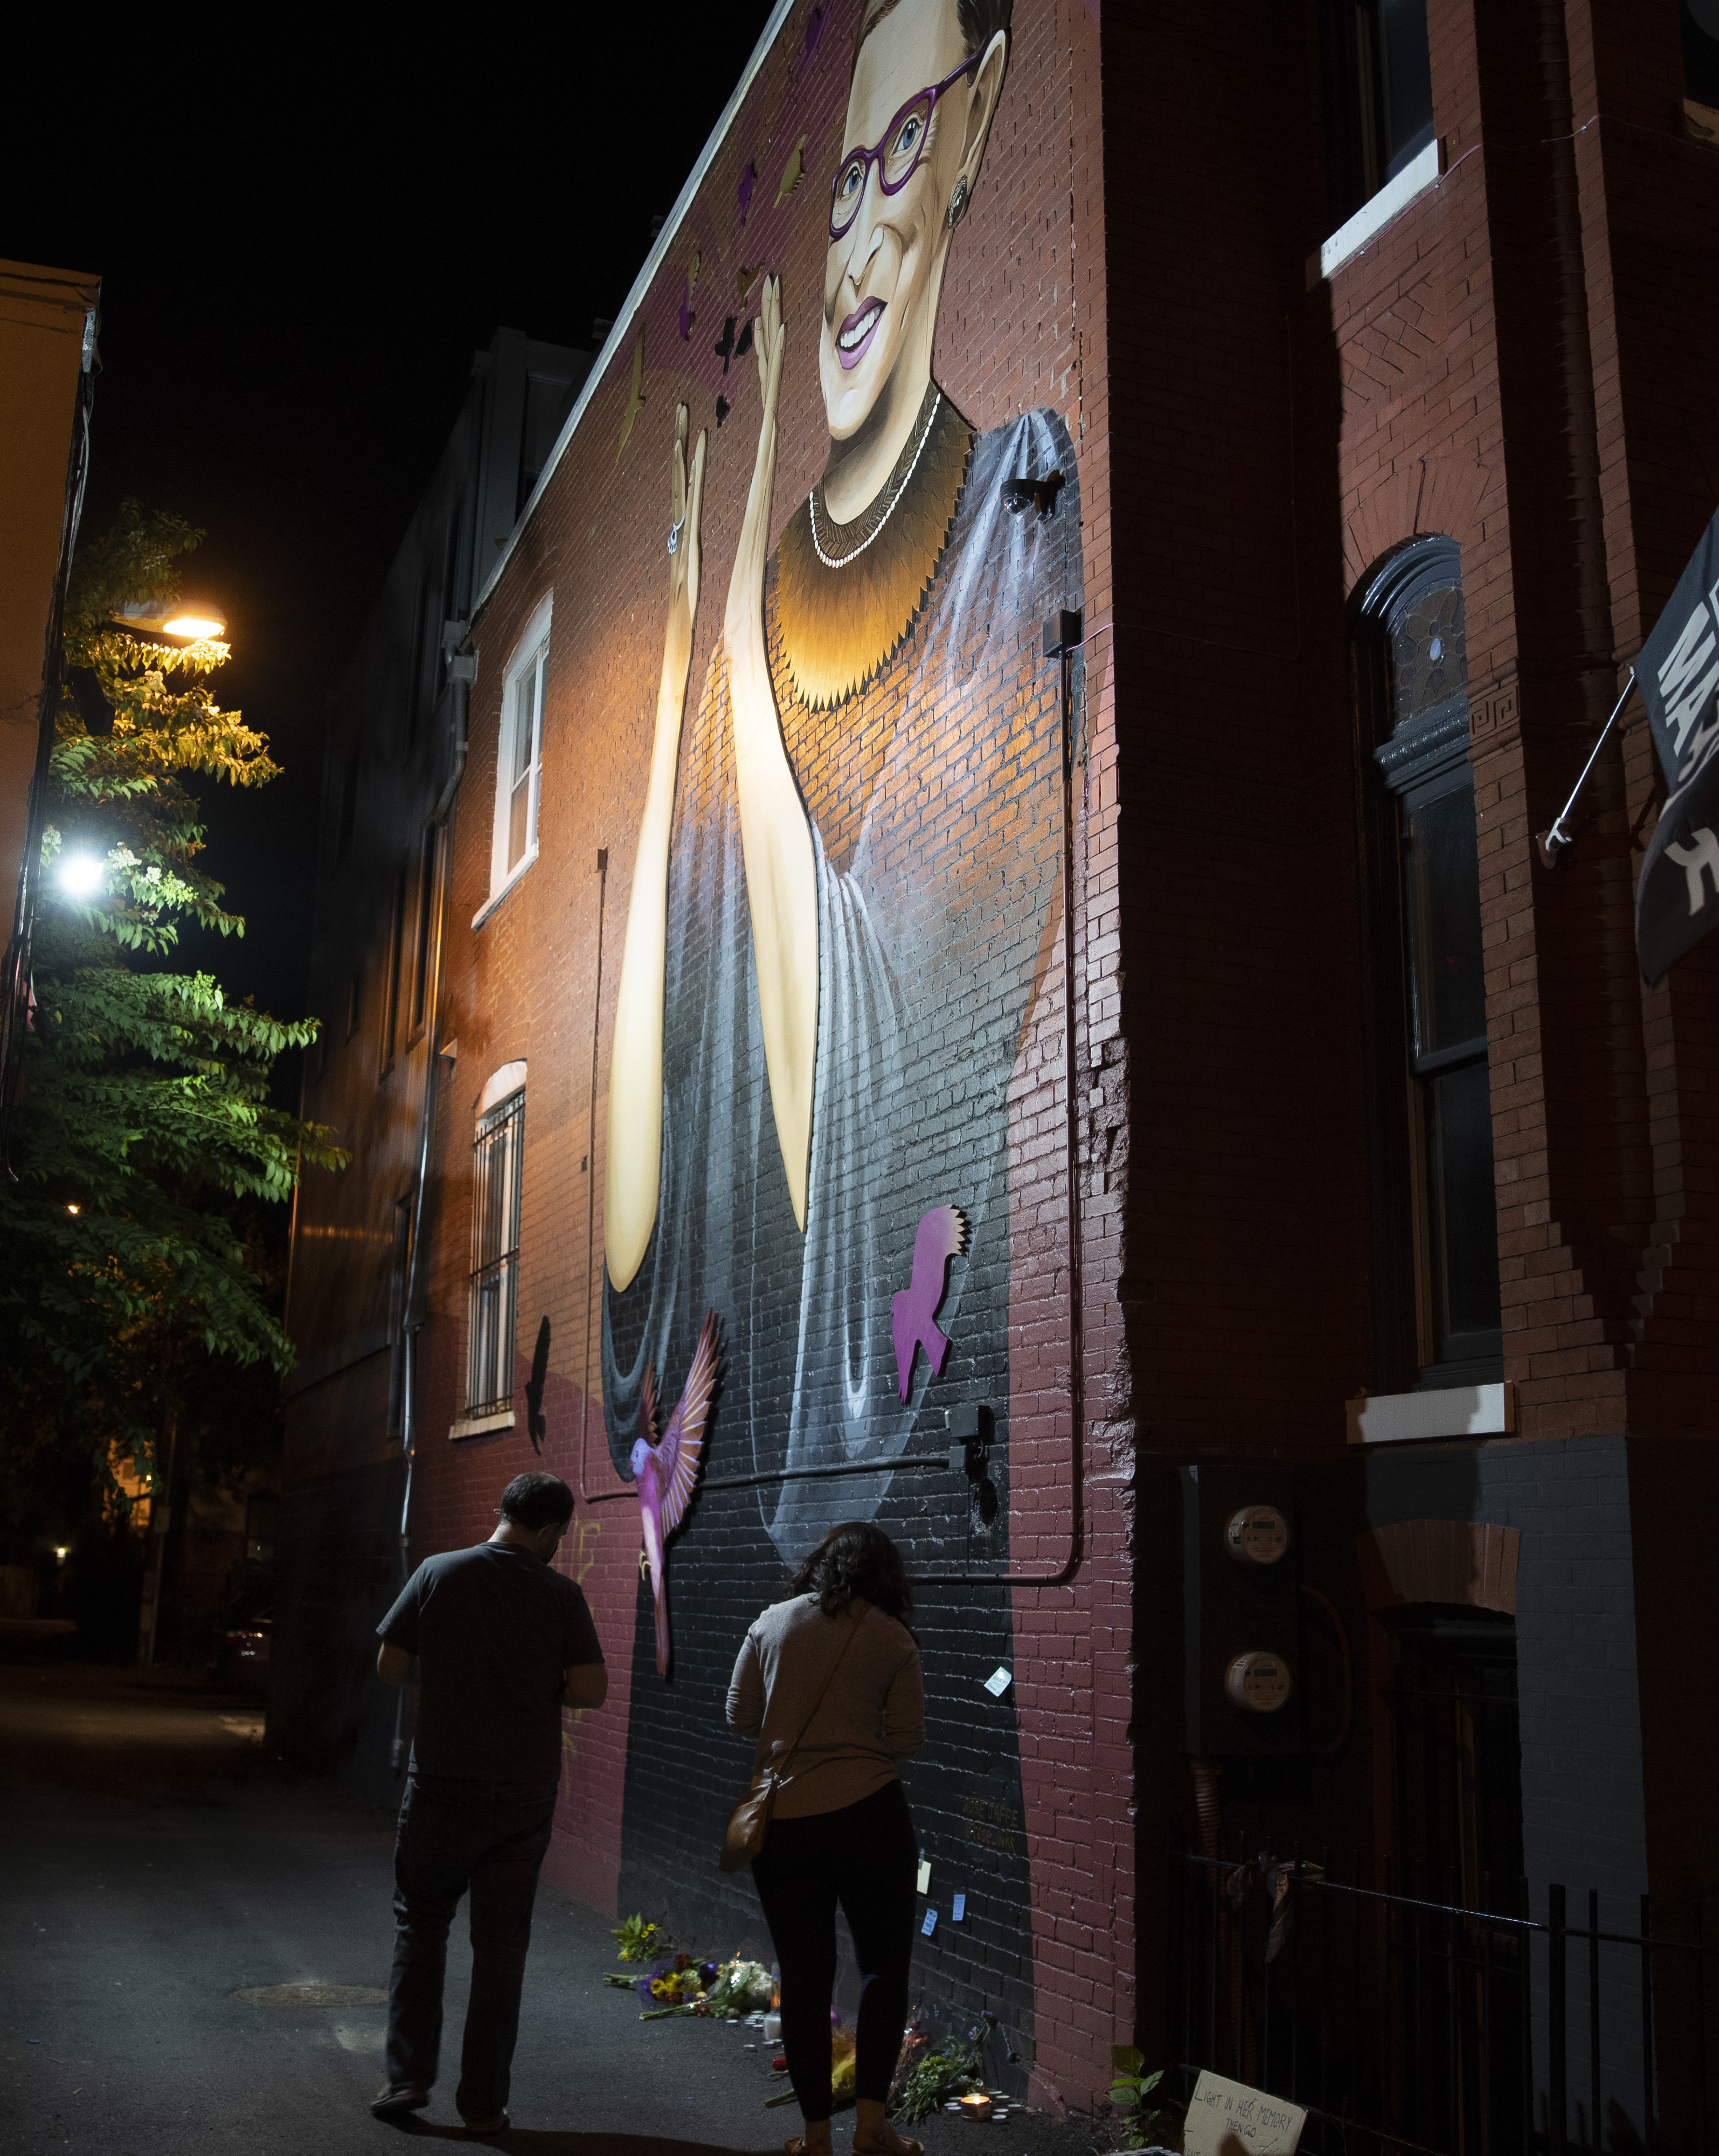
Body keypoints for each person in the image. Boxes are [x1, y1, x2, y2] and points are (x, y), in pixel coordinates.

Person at [602, 0, 1076, 1551]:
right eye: (844, 176)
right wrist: (689, 634)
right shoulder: (754, 609)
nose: (861, 230)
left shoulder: (1016, 509)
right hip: (724, 1539)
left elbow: (863, 1120)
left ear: (984, 130)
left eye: (909, 152)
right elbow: (632, 1256)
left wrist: (733, 573)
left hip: (919, 1540)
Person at [369, 1471, 607, 2132]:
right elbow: (591, 1689)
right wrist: (536, 1685)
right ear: (552, 1530)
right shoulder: (562, 1594)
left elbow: (390, 1665)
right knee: (500, 1947)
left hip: (441, 1778)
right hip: (523, 1788)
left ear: (502, 1512)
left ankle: (407, 2081)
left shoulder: (437, 1573)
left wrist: (449, 1673)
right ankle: (483, 2104)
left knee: (422, 1924)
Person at [729, 1522, 928, 2156]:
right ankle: (871, 2128)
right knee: (883, 1970)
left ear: (820, 1564)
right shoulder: (893, 1637)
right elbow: (908, 1739)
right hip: (873, 1817)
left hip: (786, 1824)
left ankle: (816, 2137)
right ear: (885, 1575)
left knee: (806, 1978)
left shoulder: (772, 1623)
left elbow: (739, 1715)